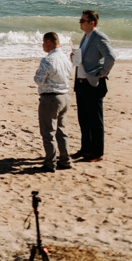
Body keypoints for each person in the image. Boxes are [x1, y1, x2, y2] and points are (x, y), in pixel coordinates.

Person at [73, 10, 116, 163]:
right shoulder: (85, 37)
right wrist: (75, 58)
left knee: (95, 120)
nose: (80, 22)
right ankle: (86, 149)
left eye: (82, 20)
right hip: (81, 83)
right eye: (80, 20)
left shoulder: (99, 37)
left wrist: (102, 72)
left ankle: (97, 153)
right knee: (83, 118)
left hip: (93, 83)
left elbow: (111, 57)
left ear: (92, 23)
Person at [34, 31, 73, 172]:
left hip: (50, 98)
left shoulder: (47, 60)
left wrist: (37, 72)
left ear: (49, 42)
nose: (42, 45)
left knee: (48, 132)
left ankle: (50, 163)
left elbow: (39, 80)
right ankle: (65, 159)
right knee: (61, 130)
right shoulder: (66, 59)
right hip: (64, 96)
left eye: (43, 42)